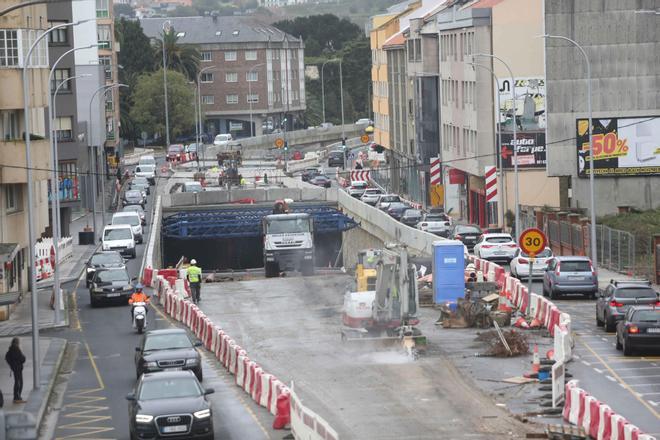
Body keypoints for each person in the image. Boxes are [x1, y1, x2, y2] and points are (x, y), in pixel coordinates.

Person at [5, 337, 26, 404]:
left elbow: (7, 357)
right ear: (17, 343)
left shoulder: (10, 349)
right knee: (19, 383)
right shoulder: (16, 349)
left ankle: (17, 397)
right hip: (18, 369)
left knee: (17, 382)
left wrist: (12, 365)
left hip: (15, 368)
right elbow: (23, 359)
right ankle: (17, 398)